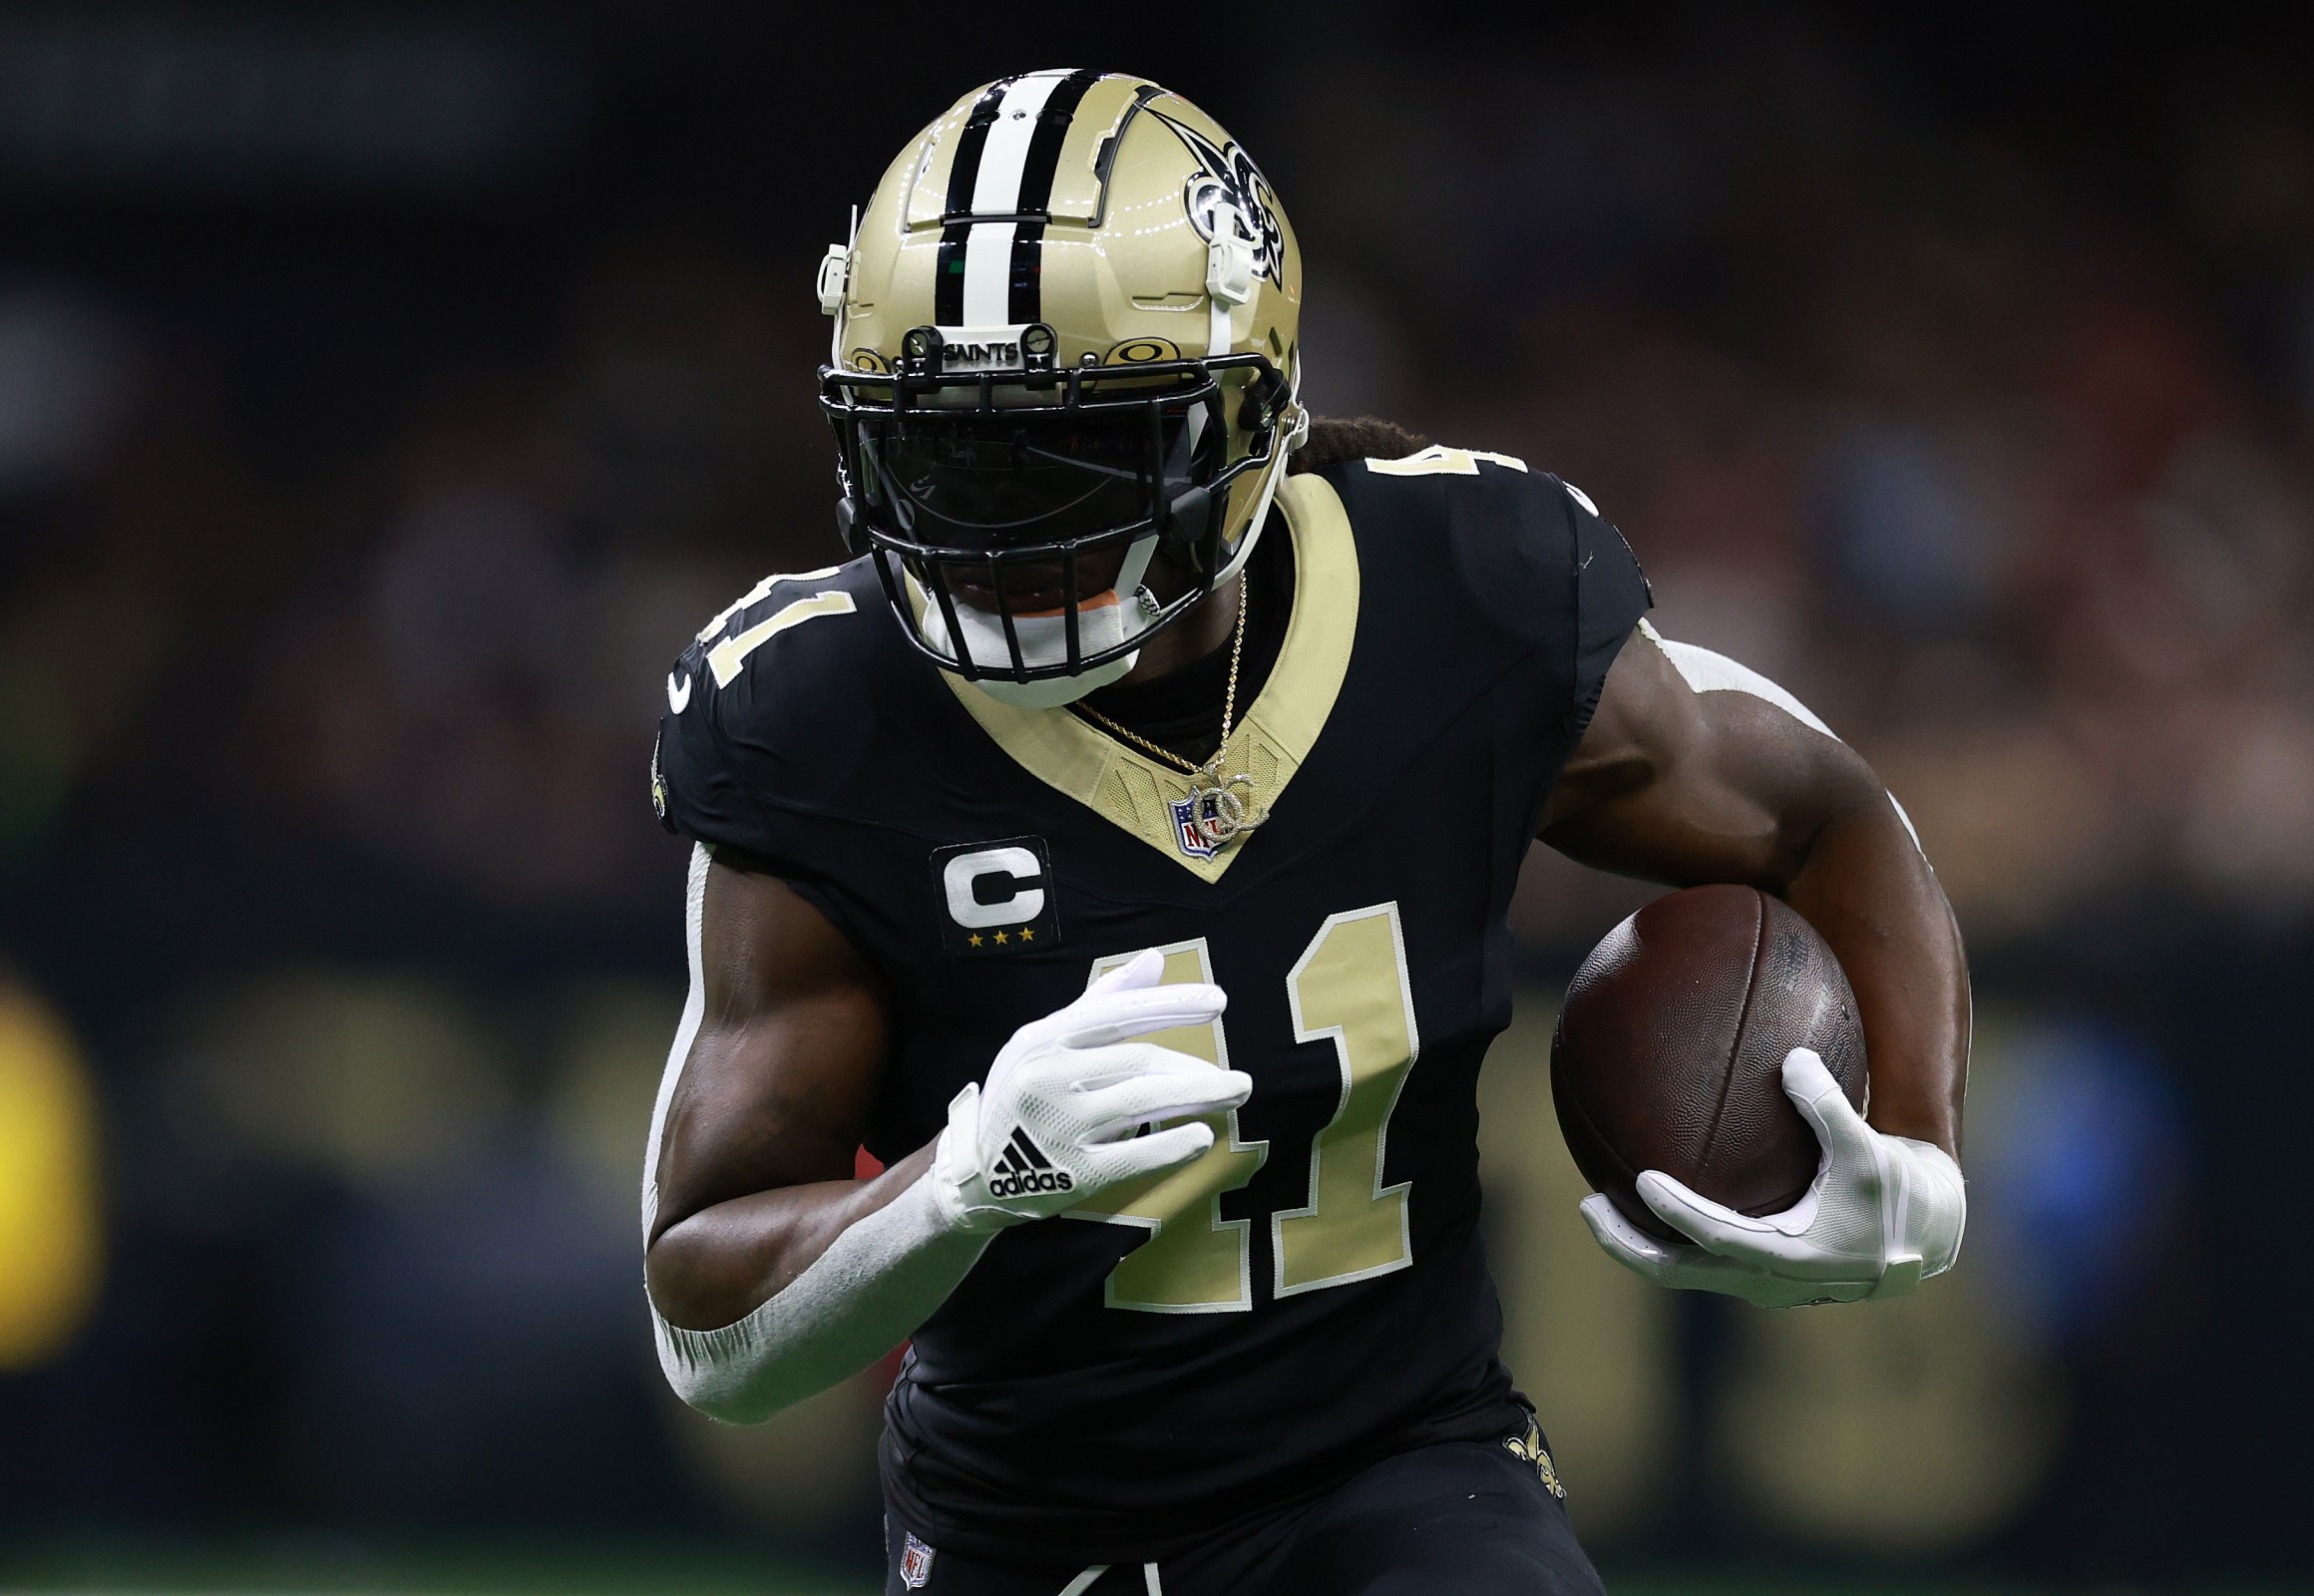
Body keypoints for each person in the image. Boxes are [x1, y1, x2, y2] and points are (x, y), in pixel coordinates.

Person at [640, 70, 1968, 1596]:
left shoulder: (1460, 586)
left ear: (1246, 410)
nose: (999, 531)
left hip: (1407, 1468)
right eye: (947, 452)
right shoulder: (812, 716)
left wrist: (1923, 1148)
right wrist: (958, 1187)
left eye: (1079, 450)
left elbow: (1825, 813)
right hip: (1026, 1524)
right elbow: (708, 1331)